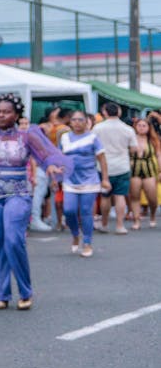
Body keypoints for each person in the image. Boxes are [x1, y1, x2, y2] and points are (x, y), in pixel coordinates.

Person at [0, 93, 67, 310]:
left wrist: (51, 167)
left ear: (16, 114)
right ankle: (1, 294)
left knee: (14, 240)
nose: (1, 115)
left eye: (6, 112)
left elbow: (45, 156)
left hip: (19, 193)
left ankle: (25, 291)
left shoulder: (27, 136)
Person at [59, 110, 110, 257]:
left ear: (86, 121)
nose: (77, 122)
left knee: (86, 212)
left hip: (89, 179)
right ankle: (75, 235)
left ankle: (87, 242)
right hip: (70, 179)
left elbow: (102, 159)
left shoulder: (93, 138)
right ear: (70, 122)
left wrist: (105, 178)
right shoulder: (64, 137)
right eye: (74, 119)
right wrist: (56, 177)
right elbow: (59, 157)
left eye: (80, 120)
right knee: (69, 210)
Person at [92, 102, 137, 234]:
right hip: (122, 166)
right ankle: (120, 225)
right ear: (119, 112)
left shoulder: (97, 128)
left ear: (104, 112)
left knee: (105, 196)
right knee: (120, 196)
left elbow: (93, 147)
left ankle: (104, 224)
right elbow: (134, 149)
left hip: (103, 167)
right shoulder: (128, 129)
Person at [128, 117, 159, 229]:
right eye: (139, 125)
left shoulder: (153, 140)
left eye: (144, 125)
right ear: (135, 127)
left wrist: (160, 171)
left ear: (148, 127)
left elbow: (159, 156)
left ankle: (152, 215)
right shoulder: (131, 139)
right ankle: (136, 221)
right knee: (135, 196)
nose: (141, 128)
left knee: (152, 198)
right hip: (134, 170)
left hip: (149, 170)